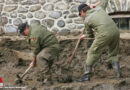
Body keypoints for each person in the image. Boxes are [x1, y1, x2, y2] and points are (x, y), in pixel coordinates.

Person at [77, 0, 122, 82]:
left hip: (104, 34)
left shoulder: (87, 20)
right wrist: (95, 4)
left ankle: (87, 75)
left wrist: (84, 36)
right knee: (112, 54)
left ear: (82, 11)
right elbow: (104, 1)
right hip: (116, 32)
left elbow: (90, 35)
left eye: (81, 15)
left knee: (92, 52)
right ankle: (119, 74)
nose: (82, 16)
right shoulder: (99, 8)